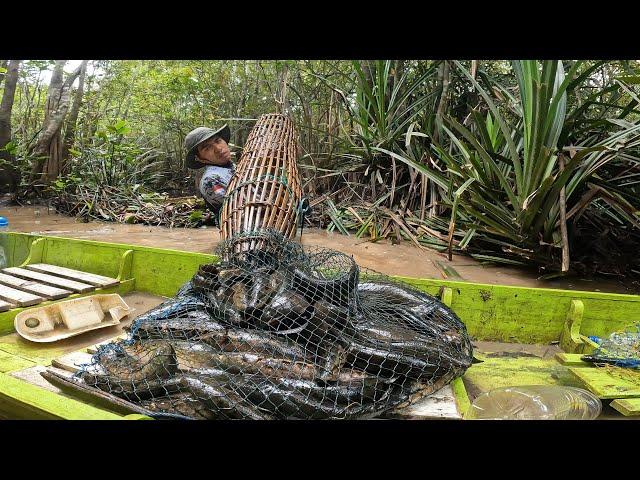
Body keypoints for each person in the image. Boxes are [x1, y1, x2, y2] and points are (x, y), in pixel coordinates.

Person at [185, 124, 235, 223]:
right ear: (200, 158)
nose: (218, 149)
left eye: (218, 141)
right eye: (207, 148)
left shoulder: (233, 166)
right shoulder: (211, 180)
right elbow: (243, 206)